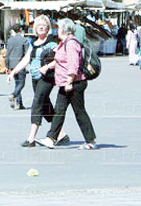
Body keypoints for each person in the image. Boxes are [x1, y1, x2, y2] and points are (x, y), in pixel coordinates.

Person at [7, 15, 70, 148]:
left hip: (47, 77)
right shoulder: (33, 43)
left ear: (48, 28)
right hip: (35, 78)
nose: (41, 27)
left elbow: (60, 58)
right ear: (35, 28)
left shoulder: (52, 42)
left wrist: (47, 67)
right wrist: (13, 72)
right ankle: (61, 134)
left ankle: (31, 138)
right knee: (46, 106)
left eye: (44, 25)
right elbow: (26, 59)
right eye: (39, 25)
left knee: (37, 103)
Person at [36, 18, 97, 150]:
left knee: (79, 111)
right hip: (66, 83)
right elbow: (60, 60)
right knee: (59, 110)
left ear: (63, 29)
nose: (57, 30)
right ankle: (51, 138)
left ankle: (90, 140)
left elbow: (73, 64)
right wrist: (47, 67)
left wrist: (69, 81)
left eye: (58, 28)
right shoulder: (64, 43)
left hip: (74, 83)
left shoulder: (71, 43)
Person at [6, 24, 29, 110]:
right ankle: (14, 94)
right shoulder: (24, 40)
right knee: (21, 84)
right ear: (20, 29)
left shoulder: (10, 40)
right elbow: (27, 54)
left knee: (17, 83)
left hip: (12, 65)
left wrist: (7, 66)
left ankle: (19, 103)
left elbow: (7, 54)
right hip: (20, 64)